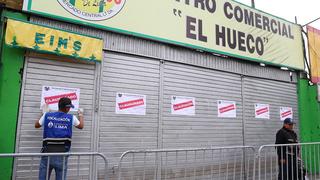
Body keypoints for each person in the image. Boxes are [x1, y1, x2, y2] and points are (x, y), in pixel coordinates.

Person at [35, 97, 84, 180]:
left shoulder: (47, 115)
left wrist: (43, 113)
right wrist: (81, 115)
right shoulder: (71, 118)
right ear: (67, 107)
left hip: (47, 154)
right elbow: (81, 126)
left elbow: (37, 125)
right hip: (62, 155)